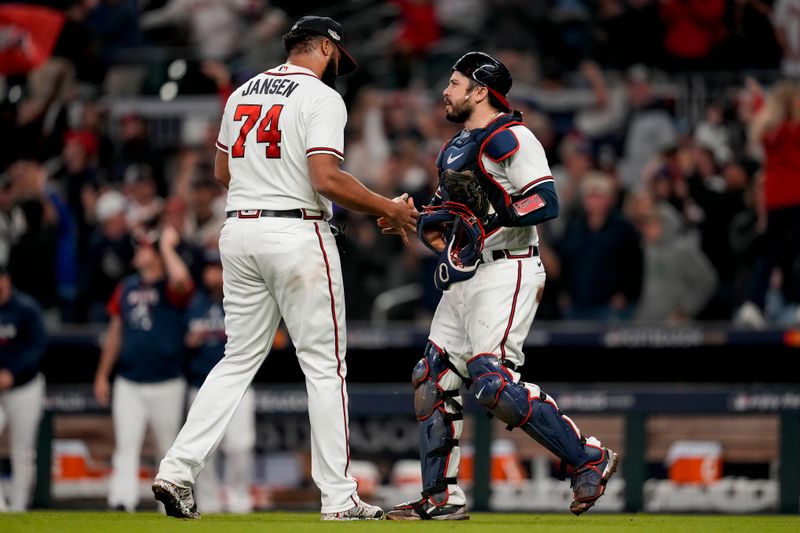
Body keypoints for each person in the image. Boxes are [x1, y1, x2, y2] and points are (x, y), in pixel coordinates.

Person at [152, 16, 418, 521]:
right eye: (336, 55)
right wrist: (388, 206)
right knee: (324, 367)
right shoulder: (321, 97)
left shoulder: (242, 92)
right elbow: (325, 177)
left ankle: (177, 469)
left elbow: (222, 171)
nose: (338, 66)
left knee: (235, 361)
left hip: (239, 231)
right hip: (295, 233)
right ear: (321, 46)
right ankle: (339, 499)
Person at [381, 52, 619, 520]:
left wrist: (491, 214)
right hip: (472, 272)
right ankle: (441, 498)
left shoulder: (511, 135)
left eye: (454, 82)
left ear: (479, 90)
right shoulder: (454, 148)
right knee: (431, 378)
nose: (445, 91)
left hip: (510, 265)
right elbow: (449, 217)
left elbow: (544, 201)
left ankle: (588, 456)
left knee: (491, 381)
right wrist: (412, 218)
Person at [93, 225, 193, 511]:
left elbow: (183, 282)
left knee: (168, 448)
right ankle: (121, 502)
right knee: (126, 444)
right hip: (129, 379)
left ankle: (169, 505)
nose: (138, 252)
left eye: (144, 248)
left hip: (167, 380)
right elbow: (115, 332)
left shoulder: (170, 284)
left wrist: (167, 247)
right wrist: (102, 374)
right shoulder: (127, 286)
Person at [184, 251, 255, 514]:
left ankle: (239, 499)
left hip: (240, 384)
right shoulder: (194, 302)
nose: (215, 274)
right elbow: (176, 340)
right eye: (211, 269)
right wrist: (190, 340)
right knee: (205, 449)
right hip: (201, 384)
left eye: (220, 268)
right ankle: (209, 501)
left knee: (240, 445)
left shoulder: (243, 298)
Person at [0, 264, 47, 511]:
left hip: (24, 386)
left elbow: (38, 346)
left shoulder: (26, 308)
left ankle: (19, 507)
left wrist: (12, 372)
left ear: (7, 279)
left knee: (23, 451)